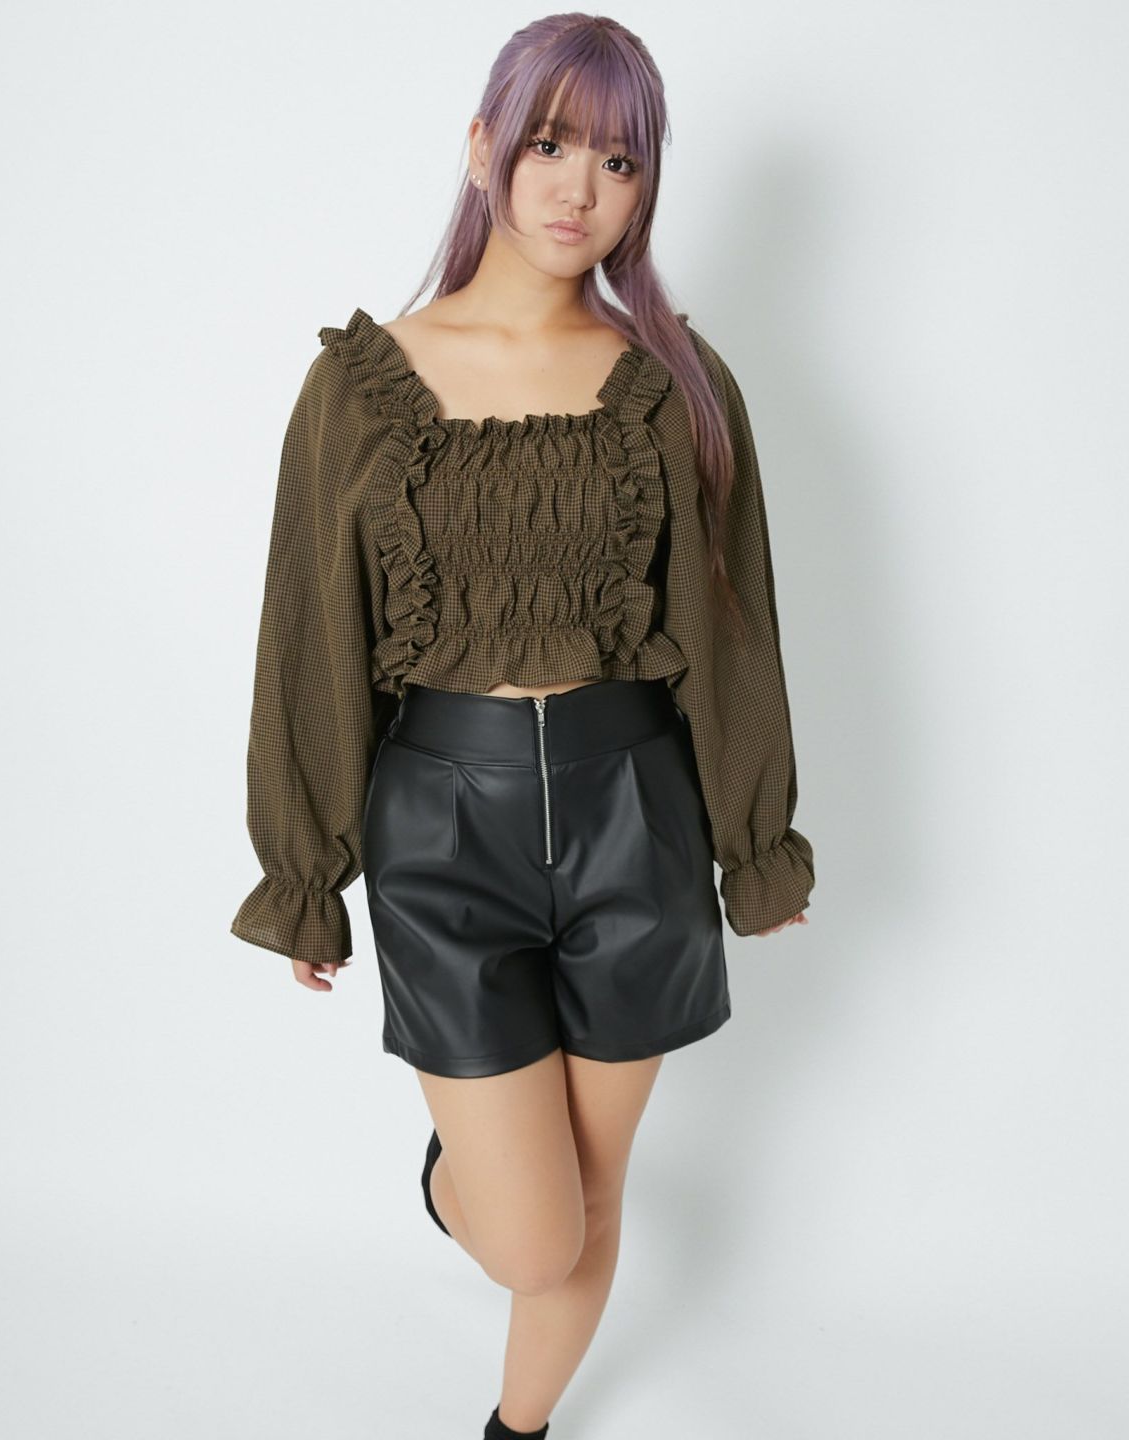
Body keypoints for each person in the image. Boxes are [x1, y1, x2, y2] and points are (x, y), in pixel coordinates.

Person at [230, 13, 815, 1438]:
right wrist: (305, 870)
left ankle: (518, 1430)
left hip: (637, 817)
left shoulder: (672, 383)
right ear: (484, 145)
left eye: (620, 160)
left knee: (593, 1197)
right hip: (444, 823)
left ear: (645, 187)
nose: (580, 187)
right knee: (532, 1237)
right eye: (551, 142)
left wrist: (754, 841)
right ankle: (460, 1178)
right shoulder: (363, 385)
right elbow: (310, 631)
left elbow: (733, 628)